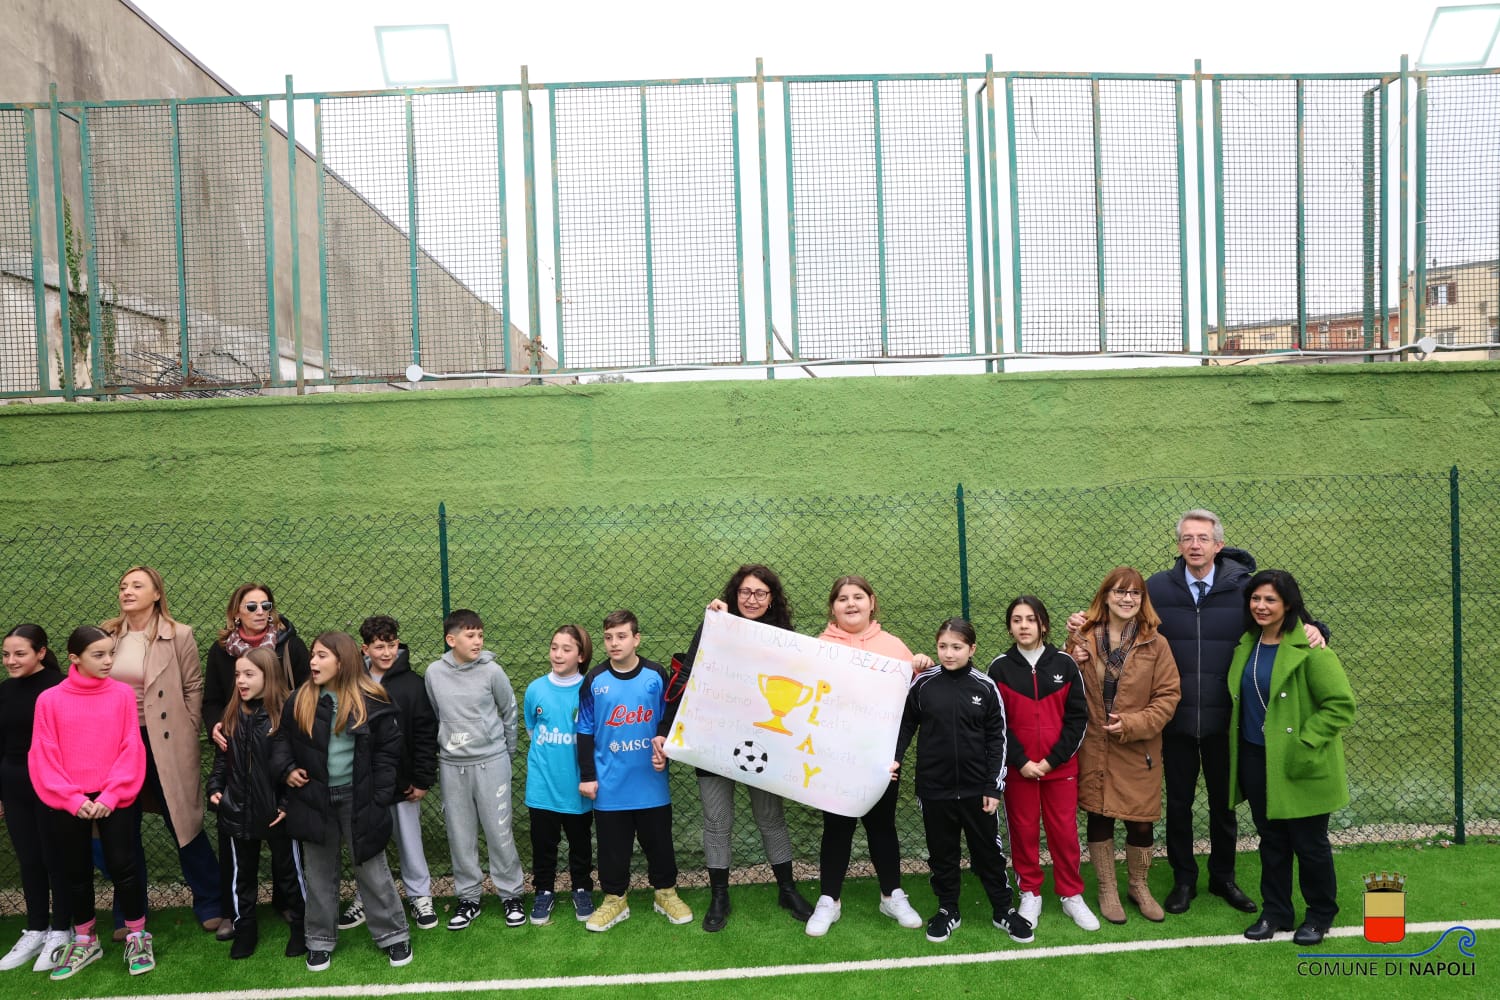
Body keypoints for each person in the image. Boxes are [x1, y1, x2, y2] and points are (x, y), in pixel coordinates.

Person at [1143, 510, 1327, 916]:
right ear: (1178, 546)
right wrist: (1081, 624)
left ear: (1218, 545)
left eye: (1203, 538)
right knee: (1179, 805)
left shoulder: (1244, 588)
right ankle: (1184, 880)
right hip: (1174, 720)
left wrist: (1319, 631)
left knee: (1224, 805)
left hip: (1228, 723)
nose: (1195, 545)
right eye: (1187, 538)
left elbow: (1290, 620)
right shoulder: (1156, 587)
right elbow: (1122, 622)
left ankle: (1223, 877)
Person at [654, 564, 815, 932]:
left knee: (770, 817)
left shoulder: (784, 636)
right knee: (716, 820)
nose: (752, 599)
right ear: (733, 594)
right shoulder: (715, 624)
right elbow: (686, 674)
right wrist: (666, 728)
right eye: (745, 592)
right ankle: (719, 895)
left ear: (772, 597)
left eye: (760, 593)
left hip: (763, 742)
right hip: (712, 736)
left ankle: (787, 889)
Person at [270, 631, 411, 972]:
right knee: (318, 873)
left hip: (358, 800)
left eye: (321, 656)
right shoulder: (300, 699)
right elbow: (281, 743)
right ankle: (319, 941)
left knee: (372, 869)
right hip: (314, 800)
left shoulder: (372, 700)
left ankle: (394, 935)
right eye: (313, 656)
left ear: (342, 661)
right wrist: (287, 769)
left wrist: (377, 798)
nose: (312, 662)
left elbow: (389, 754)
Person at [1230, 570, 1355, 946]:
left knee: (1309, 843)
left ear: (1288, 604)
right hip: (1256, 759)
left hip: (1300, 762)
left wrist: (1304, 742)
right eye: (1256, 599)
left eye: (1270, 600)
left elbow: (1340, 705)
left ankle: (1319, 914)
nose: (1261, 606)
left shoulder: (1312, 648)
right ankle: (1277, 912)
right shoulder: (1247, 644)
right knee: (1271, 841)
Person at [806, 574, 934, 938]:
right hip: (834, 757)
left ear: (872, 602)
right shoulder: (818, 647)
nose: (851, 604)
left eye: (858, 597)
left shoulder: (893, 646)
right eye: (842, 598)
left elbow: (912, 700)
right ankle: (829, 899)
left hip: (881, 758)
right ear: (832, 607)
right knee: (837, 827)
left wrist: (920, 665)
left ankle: (891, 894)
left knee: (881, 826)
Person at [895, 618, 1032, 945]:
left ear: (972, 649)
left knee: (988, 853)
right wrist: (896, 757)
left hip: (977, 791)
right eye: (943, 646)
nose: (949, 653)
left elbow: (998, 740)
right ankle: (947, 910)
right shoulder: (923, 685)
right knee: (942, 854)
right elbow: (903, 726)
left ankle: (1003, 910)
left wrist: (992, 787)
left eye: (956, 647)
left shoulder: (985, 687)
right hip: (935, 790)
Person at [101, 566, 221, 932]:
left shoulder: (179, 634)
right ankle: (130, 913)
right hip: (118, 742)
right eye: (123, 586)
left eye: (137, 585)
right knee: (122, 828)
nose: (127, 591)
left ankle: (211, 901)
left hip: (165, 740)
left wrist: (187, 727)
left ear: (157, 593)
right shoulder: (107, 634)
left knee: (184, 822)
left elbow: (193, 686)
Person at [28, 626, 151, 981]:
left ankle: (138, 936)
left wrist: (111, 794)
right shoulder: (49, 700)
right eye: (99, 655)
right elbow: (43, 755)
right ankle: (85, 940)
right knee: (75, 872)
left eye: (111, 653)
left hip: (115, 795)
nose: (109, 661)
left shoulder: (123, 695)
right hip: (69, 800)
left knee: (124, 866)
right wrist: (72, 799)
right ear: (74, 659)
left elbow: (131, 747)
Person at [1065, 567, 1180, 925]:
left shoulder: (1155, 643)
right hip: (1096, 745)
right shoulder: (1083, 637)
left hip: (1137, 747)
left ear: (1143, 600)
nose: (1127, 599)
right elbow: (1062, 683)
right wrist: (1071, 655)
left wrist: (1131, 723)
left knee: (1140, 823)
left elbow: (1168, 696)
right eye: (1120, 592)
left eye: (1135, 594)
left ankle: (1139, 886)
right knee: (1099, 816)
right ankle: (1107, 888)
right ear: (1105, 596)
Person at [205, 582, 311, 939]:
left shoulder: (288, 644)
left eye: (266, 605)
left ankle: (290, 905)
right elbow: (211, 700)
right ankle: (234, 913)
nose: (260, 612)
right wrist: (217, 726)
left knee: (284, 839)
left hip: (278, 741)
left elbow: (308, 689)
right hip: (236, 743)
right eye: (251, 607)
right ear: (236, 611)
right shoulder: (221, 652)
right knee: (236, 836)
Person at [576, 609, 692, 932]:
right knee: (612, 849)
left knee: (660, 844)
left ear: (636, 639)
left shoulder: (656, 676)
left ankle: (665, 893)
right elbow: (584, 729)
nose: (614, 643)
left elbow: (670, 722)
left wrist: (665, 752)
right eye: (609, 637)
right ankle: (615, 899)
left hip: (651, 782)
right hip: (610, 785)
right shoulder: (595, 680)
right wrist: (587, 775)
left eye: (622, 636)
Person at [988, 597, 1098, 933]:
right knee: (1023, 832)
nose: (1024, 626)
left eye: (1031, 620)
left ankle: (1071, 895)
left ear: (1043, 625)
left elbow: (1078, 718)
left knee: (1064, 833)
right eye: (1017, 620)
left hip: (1059, 769)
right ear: (1010, 626)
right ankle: (1030, 892)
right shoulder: (1000, 668)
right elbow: (997, 723)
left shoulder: (1064, 664)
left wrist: (1052, 761)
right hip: (1019, 771)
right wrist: (1020, 761)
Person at [424, 609, 526, 931]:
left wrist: (504, 754)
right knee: (460, 834)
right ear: (451, 639)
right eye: (471, 635)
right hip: (453, 767)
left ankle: (511, 895)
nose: (478, 641)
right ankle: (469, 898)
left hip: (492, 763)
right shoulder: (434, 673)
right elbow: (436, 714)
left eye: (480, 634)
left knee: (499, 831)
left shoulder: (492, 671)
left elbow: (509, 711)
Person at [337, 616, 439, 933]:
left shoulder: (413, 684)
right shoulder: (351, 683)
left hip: (404, 783)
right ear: (364, 648)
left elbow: (425, 734)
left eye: (391, 645)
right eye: (379, 646)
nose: (386, 652)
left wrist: (422, 780)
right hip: (364, 784)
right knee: (367, 845)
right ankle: (367, 899)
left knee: (410, 843)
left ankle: (421, 897)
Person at [0, 625, 70, 972]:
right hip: (14, 786)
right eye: (6, 654)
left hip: (52, 785)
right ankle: (37, 927)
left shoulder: (60, 687)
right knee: (29, 859)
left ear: (41, 652)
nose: (10, 661)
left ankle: (62, 929)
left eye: (20, 654)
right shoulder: (4, 691)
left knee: (55, 857)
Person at [522, 625, 596, 925]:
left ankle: (581, 888)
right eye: (554, 647)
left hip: (577, 786)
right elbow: (532, 729)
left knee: (580, 844)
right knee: (543, 844)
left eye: (566, 649)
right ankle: (544, 891)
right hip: (542, 786)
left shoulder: (589, 690)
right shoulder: (536, 689)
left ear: (581, 655)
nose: (558, 654)